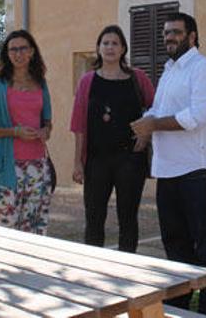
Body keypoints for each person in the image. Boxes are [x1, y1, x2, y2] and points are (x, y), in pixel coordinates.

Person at [130, 12, 206, 317]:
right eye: (166, 33)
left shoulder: (204, 70)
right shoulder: (170, 71)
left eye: (175, 32)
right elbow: (158, 109)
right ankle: (180, 309)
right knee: (175, 245)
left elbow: (194, 117)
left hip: (197, 171)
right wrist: (144, 131)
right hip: (167, 170)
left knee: (205, 245)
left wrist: (153, 124)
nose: (168, 37)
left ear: (192, 36)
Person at [70, 25, 155, 252]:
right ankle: (94, 270)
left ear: (123, 48)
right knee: (94, 218)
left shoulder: (138, 78)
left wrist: (145, 136)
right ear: (98, 48)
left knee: (128, 219)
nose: (110, 47)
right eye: (105, 43)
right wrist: (78, 162)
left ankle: (127, 270)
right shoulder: (87, 81)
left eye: (115, 43)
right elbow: (78, 124)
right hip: (97, 160)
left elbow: (156, 108)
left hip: (130, 159)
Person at [0, 29, 54, 234]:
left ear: (32, 52)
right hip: (6, 167)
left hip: (37, 167)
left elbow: (48, 123)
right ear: (6, 54)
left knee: (33, 228)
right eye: (13, 49)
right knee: (2, 227)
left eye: (23, 48)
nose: (18, 53)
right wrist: (14, 131)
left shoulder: (40, 83)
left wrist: (45, 131)